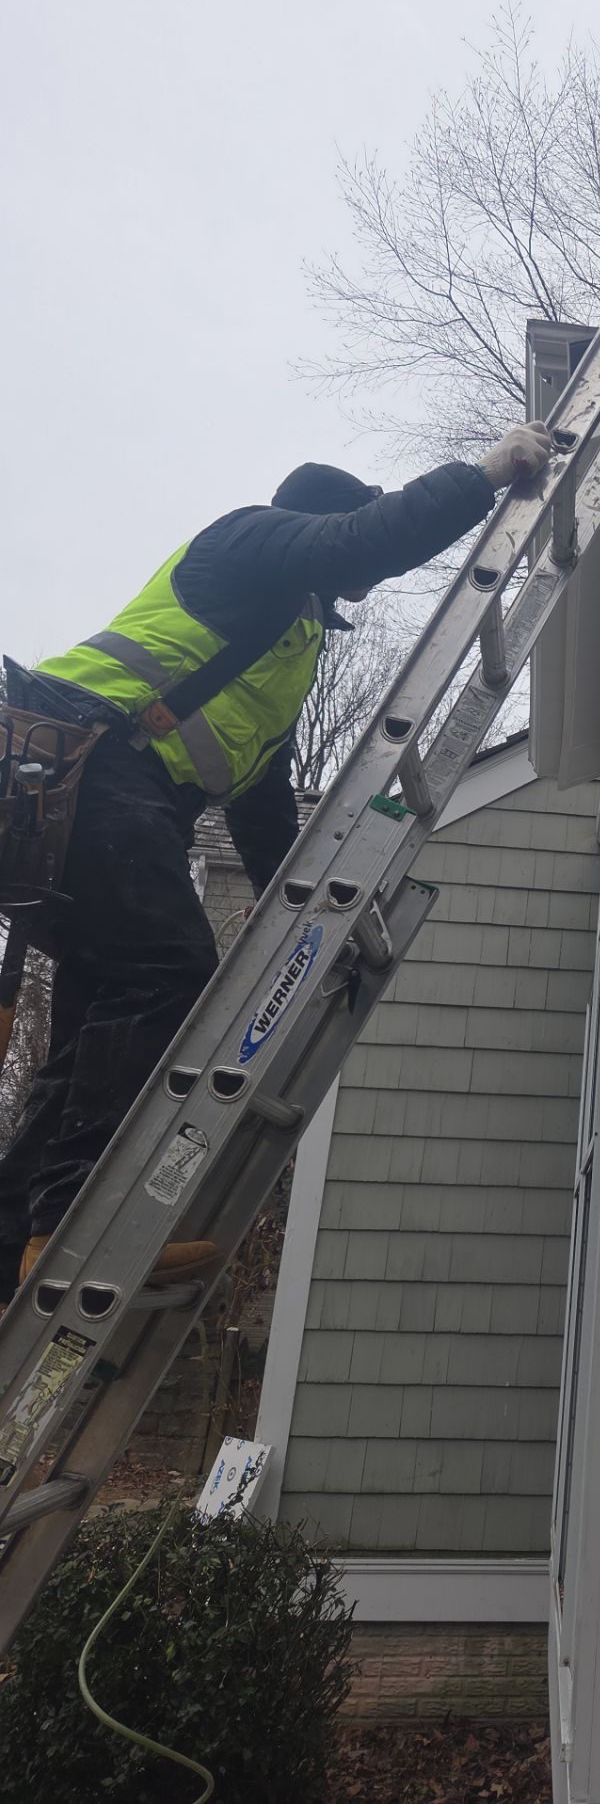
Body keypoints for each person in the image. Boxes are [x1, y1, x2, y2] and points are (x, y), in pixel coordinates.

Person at [0, 424, 551, 1298]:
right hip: (77, 766)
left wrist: (284, 906)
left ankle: (19, 1247)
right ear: (321, 522)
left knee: (94, 1028)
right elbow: (365, 539)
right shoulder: (251, 540)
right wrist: (488, 474)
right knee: (166, 969)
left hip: (92, 804)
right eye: (353, 530)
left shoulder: (285, 648)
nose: (363, 571)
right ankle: (68, 1225)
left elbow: (259, 798)